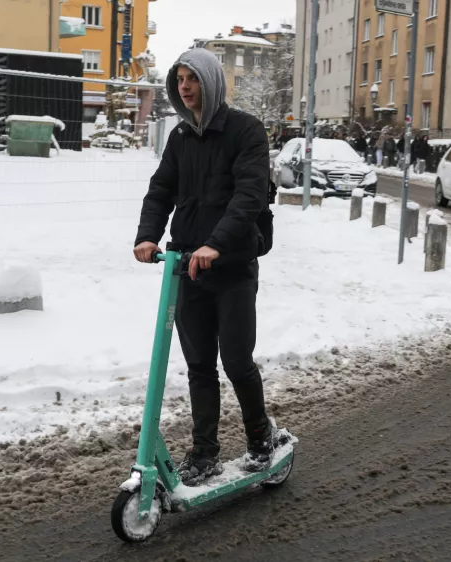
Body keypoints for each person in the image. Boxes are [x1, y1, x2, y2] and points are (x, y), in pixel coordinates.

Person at [132, 48, 276, 487]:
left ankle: (260, 438)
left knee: (236, 361)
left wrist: (216, 244)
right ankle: (205, 451)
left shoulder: (246, 132)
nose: (184, 87)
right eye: (178, 80)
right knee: (199, 367)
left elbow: (248, 196)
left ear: (210, 81)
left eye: (191, 78)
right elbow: (161, 191)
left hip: (231, 267)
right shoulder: (179, 138)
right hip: (187, 267)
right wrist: (147, 235)